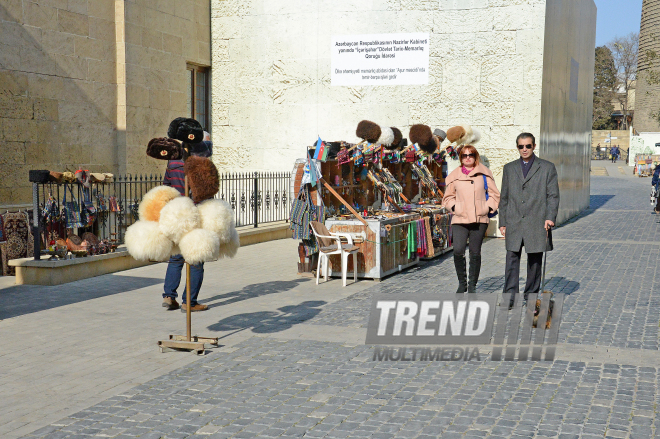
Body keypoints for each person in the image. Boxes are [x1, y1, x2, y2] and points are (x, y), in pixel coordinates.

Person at [499, 133, 559, 305]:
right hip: (514, 221)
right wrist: (503, 221)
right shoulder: (509, 168)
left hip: (537, 221)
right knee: (511, 259)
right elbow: (504, 197)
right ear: (517, 147)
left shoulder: (547, 168)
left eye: (528, 146)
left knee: (534, 261)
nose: (524, 149)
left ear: (534, 146)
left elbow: (553, 195)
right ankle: (509, 298)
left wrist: (550, 217)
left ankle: (531, 296)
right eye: (521, 146)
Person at [161, 133, 213, 312]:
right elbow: (205, 193)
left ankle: (169, 296)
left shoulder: (172, 164)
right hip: (193, 213)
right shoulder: (199, 166)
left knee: (176, 257)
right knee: (196, 258)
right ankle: (189, 301)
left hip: (177, 213)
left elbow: (165, 187)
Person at [443, 145, 500, 294]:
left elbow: (495, 194)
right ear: (461, 158)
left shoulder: (484, 174)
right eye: (464, 155)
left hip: (479, 218)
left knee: (475, 252)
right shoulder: (454, 175)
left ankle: (472, 284)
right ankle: (462, 283)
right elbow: (447, 197)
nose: (468, 157)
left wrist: (486, 208)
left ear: (476, 156)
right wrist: (455, 208)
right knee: (458, 250)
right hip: (460, 218)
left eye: (471, 155)